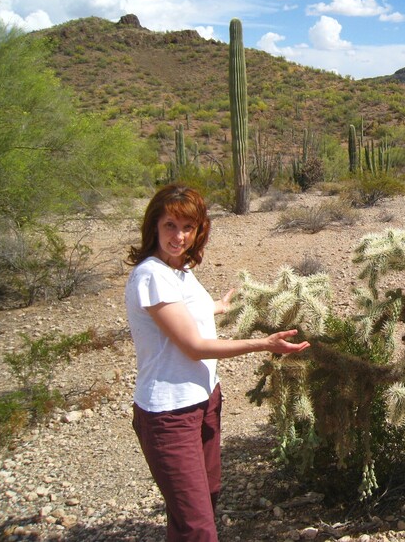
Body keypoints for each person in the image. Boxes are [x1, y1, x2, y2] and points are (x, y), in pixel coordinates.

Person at [125, 183, 310, 541]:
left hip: (204, 399)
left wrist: (217, 307)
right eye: (170, 226)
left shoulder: (178, 270)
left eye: (187, 227)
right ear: (154, 226)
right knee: (197, 525)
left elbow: (181, 313)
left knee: (204, 501)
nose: (179, 236)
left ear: (199, 230)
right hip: (169, 413)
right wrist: (263, 344)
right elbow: (193, 346)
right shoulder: (151, 275)